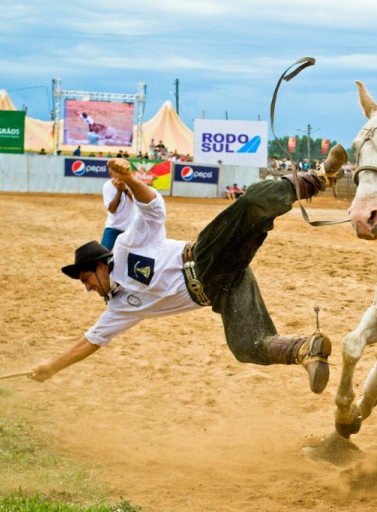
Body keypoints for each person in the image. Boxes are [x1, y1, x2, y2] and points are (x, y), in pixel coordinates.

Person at [30, 144, 349, 394]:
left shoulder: (127, 246)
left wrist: (129, 179)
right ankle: (306, 350)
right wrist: (53, 367)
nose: (86, 286)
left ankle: (318, 177)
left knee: (250, 205)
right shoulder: (119, 308)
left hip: (202, 256)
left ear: (100, 265)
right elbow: (91, 341)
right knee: (246, 347)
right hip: (220, 290)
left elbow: (153, 207)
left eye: (85, 278)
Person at [101, 177, 134, 250]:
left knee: (130, 256)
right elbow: (112, 209)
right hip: (113, 226)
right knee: (103, 253)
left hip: (131, 228)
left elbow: (137, 201)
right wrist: (119, 190)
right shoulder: (107, 186)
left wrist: (125, 189)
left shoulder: (133, 183)